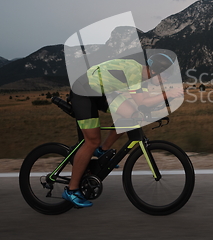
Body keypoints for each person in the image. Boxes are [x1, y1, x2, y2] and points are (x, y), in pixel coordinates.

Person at [62, 53, 183, 208]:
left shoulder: (142, 78)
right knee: (91, 141)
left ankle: (102, 151)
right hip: (84, 91)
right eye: (165, 74)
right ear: (154, 71)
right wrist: (167, 94)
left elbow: (138, 101)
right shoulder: (134, 71)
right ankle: (72, 190)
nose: (166, 79)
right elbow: (142, 102)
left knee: (131, 115)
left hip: (102, 92)